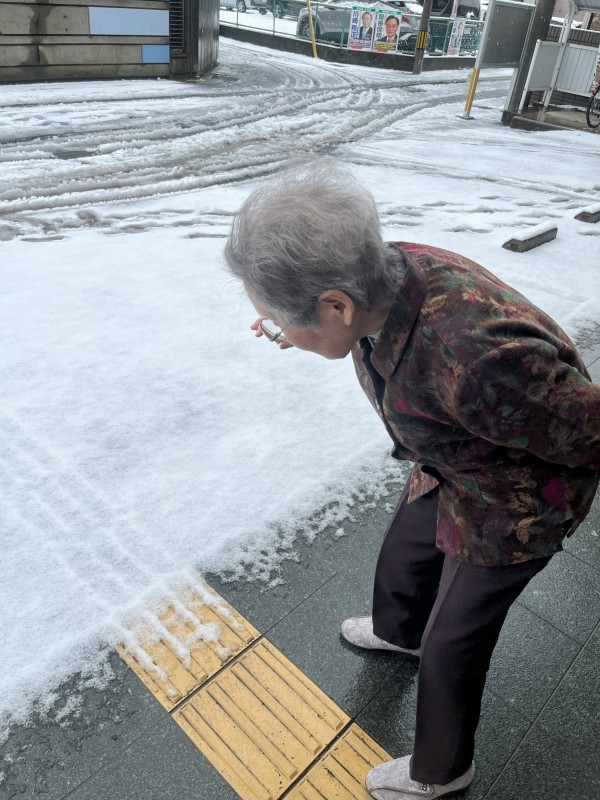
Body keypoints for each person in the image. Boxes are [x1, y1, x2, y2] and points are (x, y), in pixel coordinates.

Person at [224, 163, 600, 800]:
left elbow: (588, 430)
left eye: (281, 323)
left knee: (454, 640)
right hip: (451, 456)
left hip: (515, 499)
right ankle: (399, 632)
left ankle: (442, 770)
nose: (278, 333)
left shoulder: (478, 359)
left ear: (337, 306)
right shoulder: (384, 274)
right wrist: (303, 329)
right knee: (406, 550)